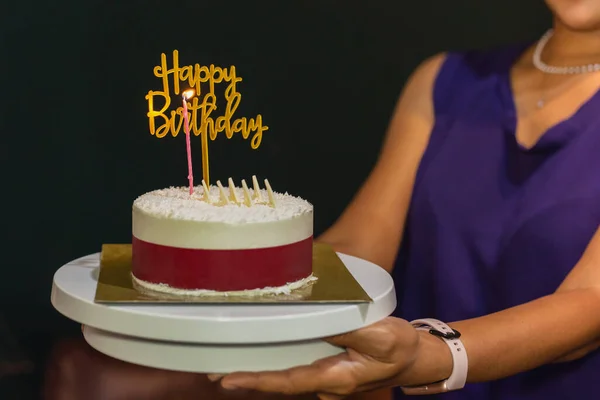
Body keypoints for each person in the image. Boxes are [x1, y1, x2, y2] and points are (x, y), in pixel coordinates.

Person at [206, 0, 600, 399]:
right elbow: (362, 247)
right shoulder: (445, 80)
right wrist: (233, 277)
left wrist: (433, 353)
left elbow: (589, 302)